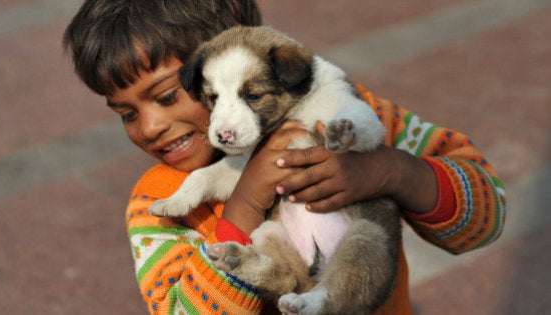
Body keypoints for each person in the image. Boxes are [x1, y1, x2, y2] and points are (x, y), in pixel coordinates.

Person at [63, 0, 506, 314]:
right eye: (126, 113)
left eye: (166, 95)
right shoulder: (159, 203)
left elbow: (488, 216)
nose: (150, 126)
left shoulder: (348, 117)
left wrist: (390, 171)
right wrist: (245, 204)